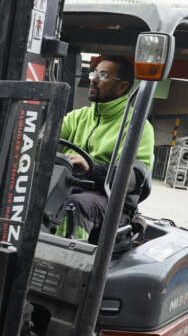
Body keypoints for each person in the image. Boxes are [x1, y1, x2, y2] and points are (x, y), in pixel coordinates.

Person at [56, 56, 154, 241]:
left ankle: (69, 264)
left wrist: (91, 168)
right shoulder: (77, 117)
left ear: (122, 87)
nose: (93, 79)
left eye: (103, 75)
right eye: (94, 73)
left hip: (111, 200)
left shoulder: (137, 126)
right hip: (69, 186)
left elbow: (134, 177)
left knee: (74, 206)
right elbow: (42, 142)